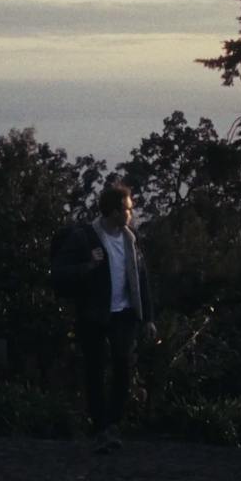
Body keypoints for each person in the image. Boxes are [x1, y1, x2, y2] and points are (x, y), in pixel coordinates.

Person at [51, 182, 156, 452]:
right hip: (94, 314)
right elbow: (60, 271)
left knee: (123, 368)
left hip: (124, 313)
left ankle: (111, 425)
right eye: (128, 209)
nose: (131, 214)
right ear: (112, 211)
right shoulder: (85, 238)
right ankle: (100, 429)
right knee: (95, 371)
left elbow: (142, 279)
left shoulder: (131, 240)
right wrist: (89, 265)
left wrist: (148, 318)